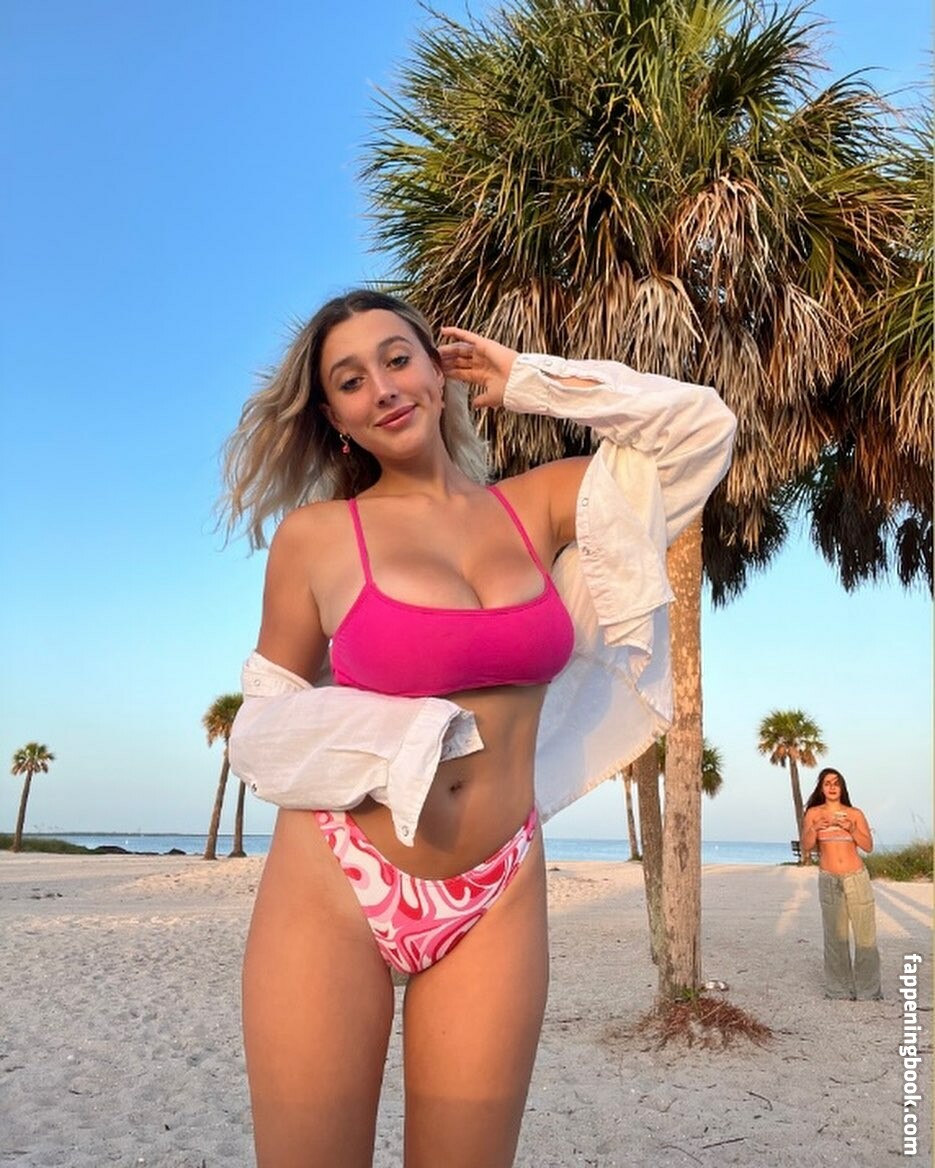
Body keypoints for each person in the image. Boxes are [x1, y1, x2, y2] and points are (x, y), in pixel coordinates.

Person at [220, 288, 736, 1168]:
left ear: (438, 369)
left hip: (497, 888)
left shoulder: (544, 503)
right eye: (350, 380)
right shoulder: (315, 538)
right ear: (335, 418)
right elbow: (265, 717)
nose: (383, 387)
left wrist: (528, 379)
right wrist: (403, 741)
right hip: (334, 879)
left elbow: (699, 428)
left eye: (397, 359)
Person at [801, 767, 883, 1001]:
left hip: (856, 877)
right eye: (827, 783)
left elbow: (868, 846)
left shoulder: (854, 813)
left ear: (842, 787)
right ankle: (838, 990)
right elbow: (806, 845)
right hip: (829, 879)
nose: (832, 787)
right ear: (821, 788)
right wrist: (815, 828)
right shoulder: (813, 813)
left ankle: (869, 991)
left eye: (836, 783)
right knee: (835, 936)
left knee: (865, 935)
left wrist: (852, 828)